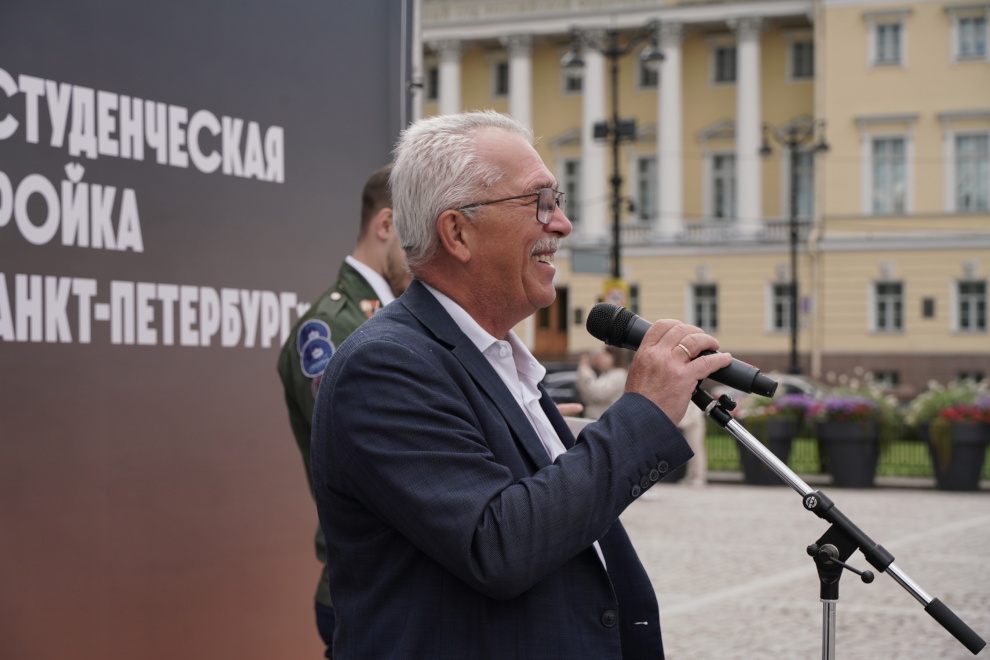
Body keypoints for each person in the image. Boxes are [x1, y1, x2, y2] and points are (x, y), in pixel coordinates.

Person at [310, 111, 732, 659]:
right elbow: (498, 545)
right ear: (457, 232)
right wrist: (642, 412)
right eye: (541, 202)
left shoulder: (493, 360)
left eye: (557, 201)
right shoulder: (384, 365)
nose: (562, 224)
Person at [276, 163, 409, 658]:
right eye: (418, 233)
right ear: (386, 224)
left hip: (400, 587)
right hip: (368, 589)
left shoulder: (393, 319)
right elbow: (374, 458)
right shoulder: (332, 327)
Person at [576, 344, 629, 420]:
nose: (600, 358)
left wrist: (587, 374)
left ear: (614, 356)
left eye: (604, 354)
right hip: (596, 418)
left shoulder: (619, 374)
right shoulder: (606, 374)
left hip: (603, 419)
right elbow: (588, 398)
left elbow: (598, 394)